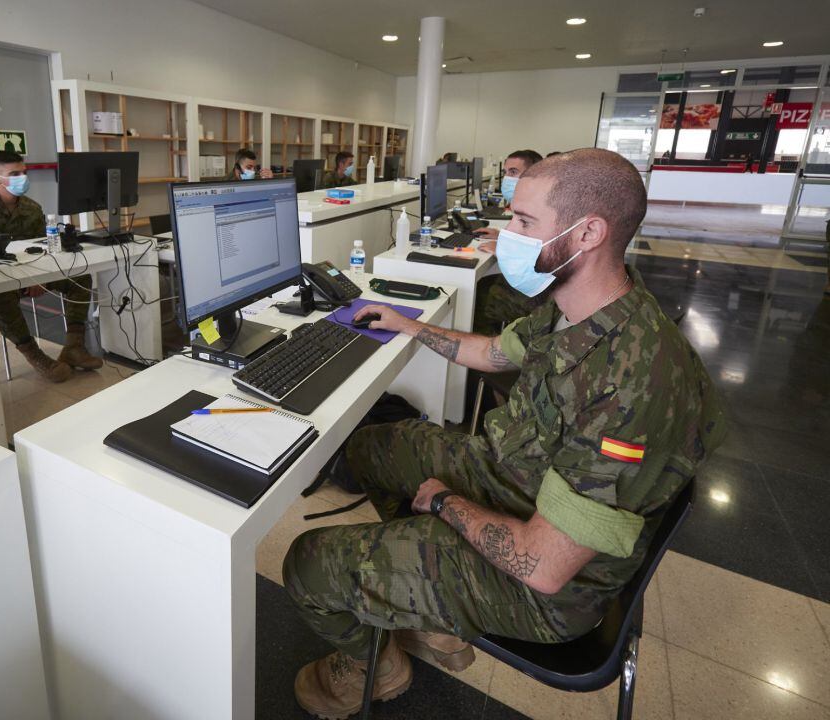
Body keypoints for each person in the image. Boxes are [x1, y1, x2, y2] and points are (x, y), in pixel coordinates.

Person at [283, 148, 726, 719]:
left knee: (306, 565)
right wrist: (406, 324)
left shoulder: (633, 384)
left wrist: (445, 503)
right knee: (373, 448)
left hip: (550, 588)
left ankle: (375, 663)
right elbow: (494, 352)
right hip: (519, 482)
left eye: (522, 223)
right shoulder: (579, 304)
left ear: (588, 232)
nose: (505, 236)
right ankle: (425, 607)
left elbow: (544, 566)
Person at [0, 150, 103, 383]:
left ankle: (74, 347)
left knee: (80, 277)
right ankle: (35, 355)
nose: (22, 178)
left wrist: (39, 277)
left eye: (23, 172)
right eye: (14, 174)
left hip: (31, 274)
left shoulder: (32, 209)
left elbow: (40, 249)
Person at [473, 148, 546, 332]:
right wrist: (500, 237)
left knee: (478, 294)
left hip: (537, 292)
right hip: (534, 283)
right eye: (505, 173)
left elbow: (546, 253)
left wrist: (503, 249)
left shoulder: (543, 209)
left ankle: (490, 349)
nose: (507, 179)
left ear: (533, 174)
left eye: (513, 172)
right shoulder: (533, 203)